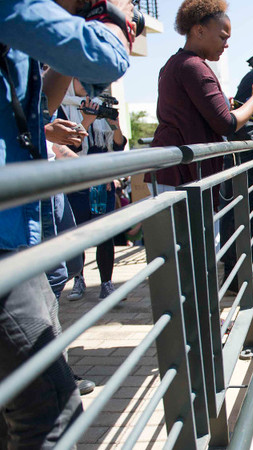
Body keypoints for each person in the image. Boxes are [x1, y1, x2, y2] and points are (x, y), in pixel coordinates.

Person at [0, 0, 133, 446]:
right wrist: (112, 15)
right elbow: (106, 57)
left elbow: (33, 110)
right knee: (52, 412)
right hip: (7, 238)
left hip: (21, 230)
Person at [145, 0, 253, 194]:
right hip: (182, 177)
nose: (226, 45)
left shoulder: (176, 63)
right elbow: (226, 124)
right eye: (222, 37)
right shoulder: (193, 67)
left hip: (173, 173)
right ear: (199, 31)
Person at [58, 80, 128, 301]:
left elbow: (117, 146)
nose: (86, 84)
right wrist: (85, 121)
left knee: (104, 235)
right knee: (77, 234)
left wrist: (114, 124)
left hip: (101, 182)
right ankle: (78, 280)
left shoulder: (101, 105)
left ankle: (106, 284)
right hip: (76, 183)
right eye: (80, 79)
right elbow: (68, 147)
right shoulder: (62, 107)